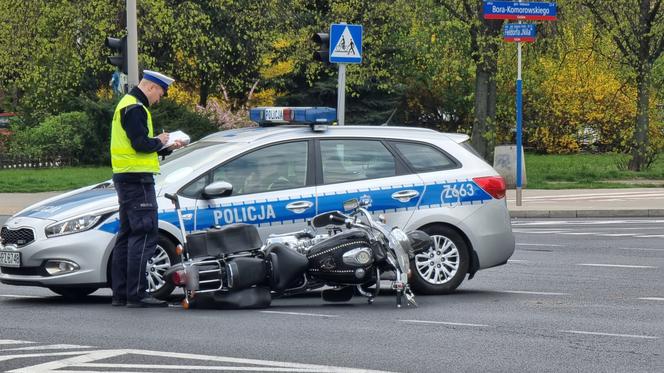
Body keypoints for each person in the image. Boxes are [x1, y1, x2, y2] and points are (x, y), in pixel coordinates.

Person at [110, 70, 184, 308]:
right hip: (137, 181)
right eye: (160, 94)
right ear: (151, 87)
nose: (158, 99)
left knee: (127, 235)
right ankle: (137, 294)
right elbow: (140, 144)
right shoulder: (135, 108)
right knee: (143, 235)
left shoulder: (127, 104)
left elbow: (138, 146)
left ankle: (121, 294)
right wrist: (161, 140)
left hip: (127, 177)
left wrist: (168, 146)